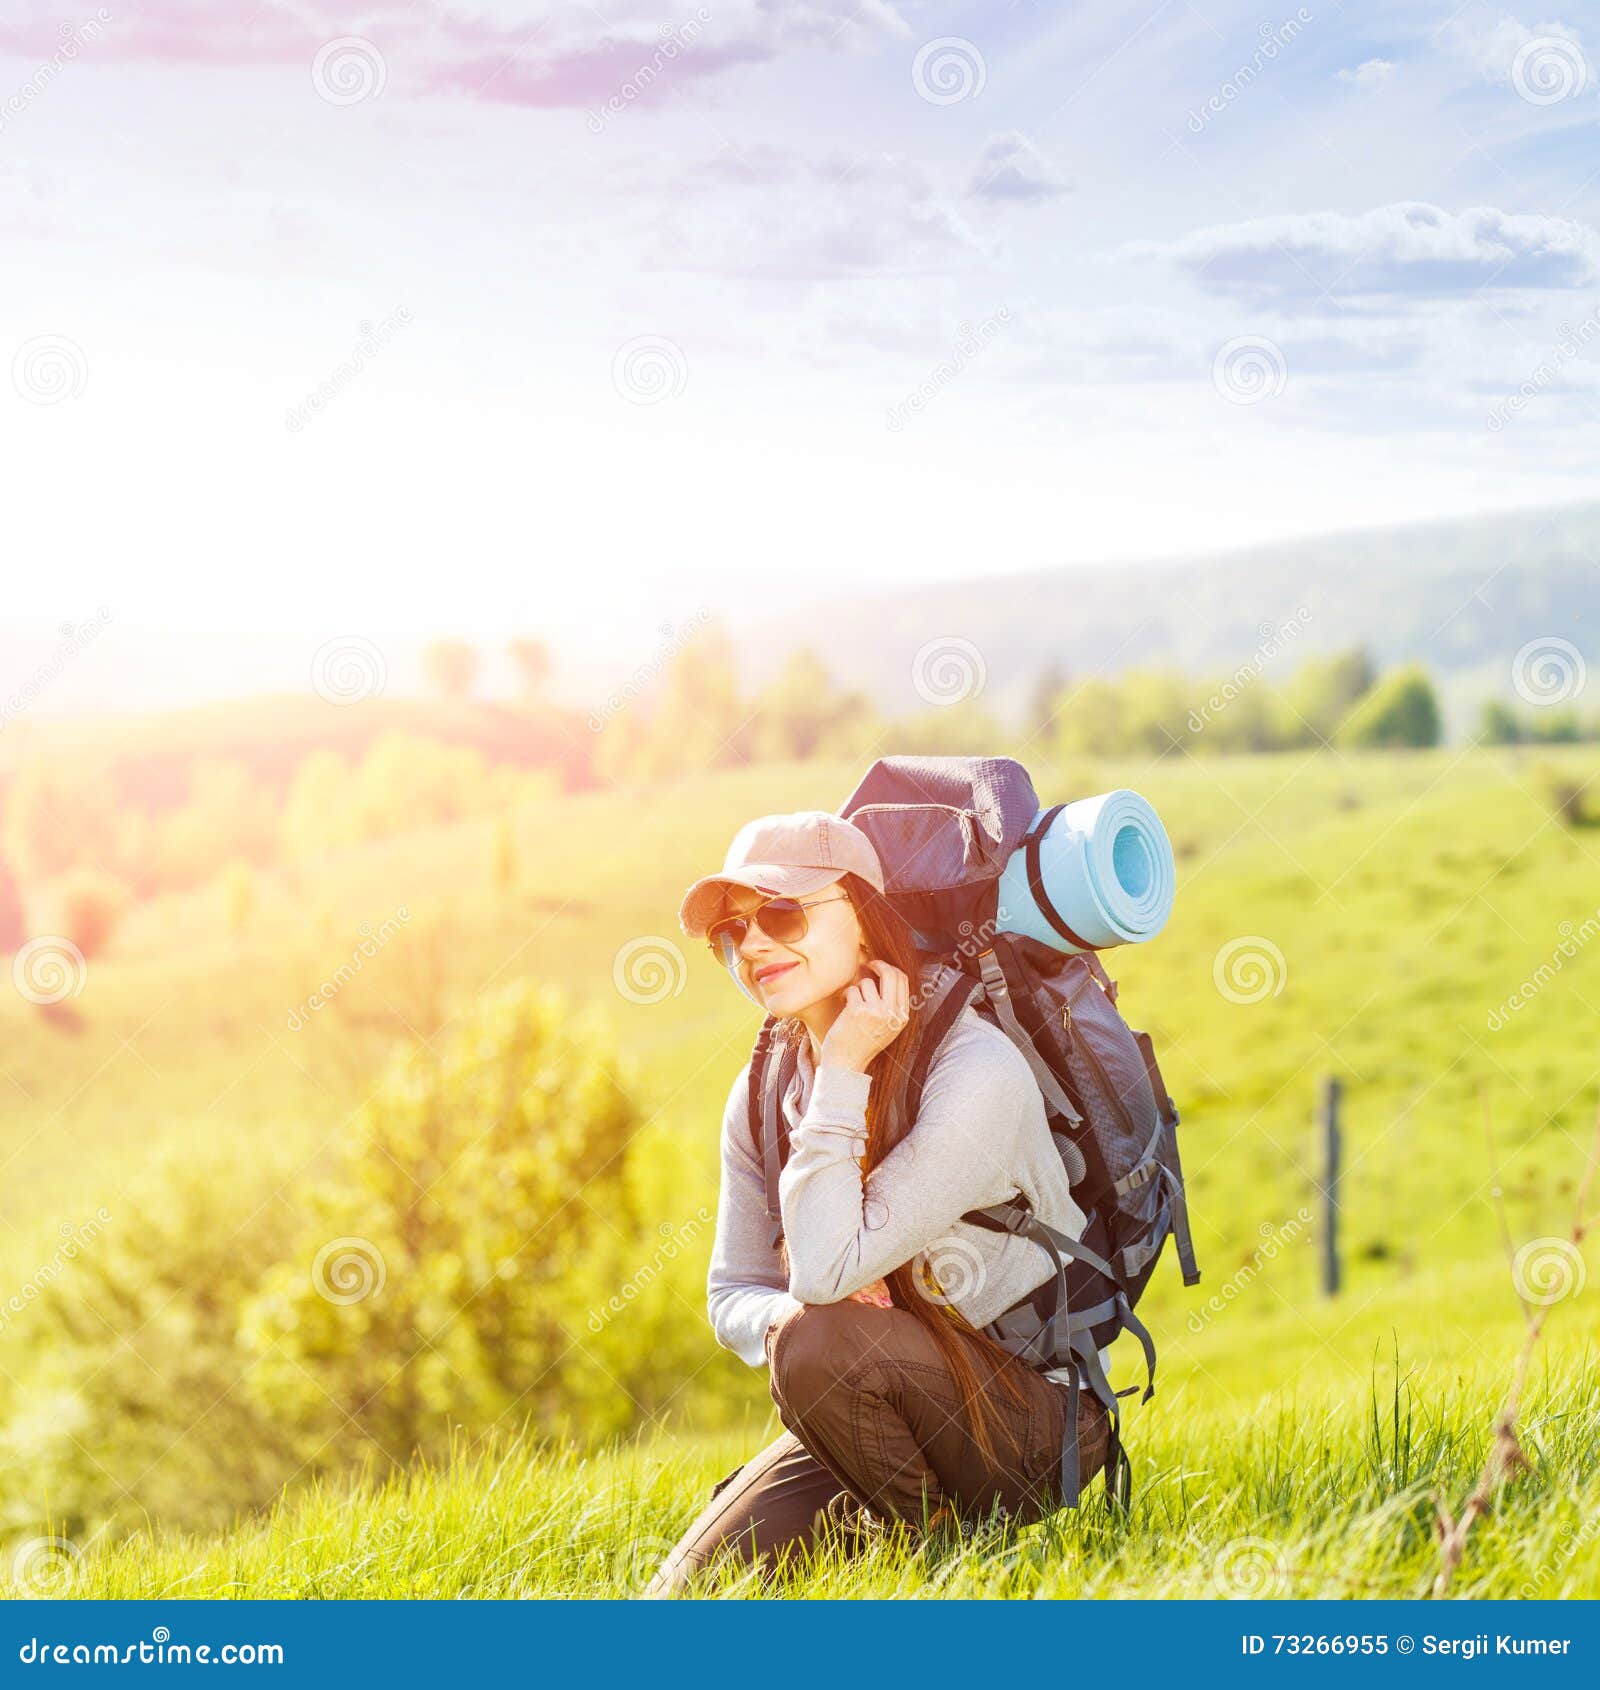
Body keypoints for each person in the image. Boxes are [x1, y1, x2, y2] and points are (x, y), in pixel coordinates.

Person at [645, 810, 1109, 1596]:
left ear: (866, 920)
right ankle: (899, 1530)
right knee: (682, 1596)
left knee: (818, 1345)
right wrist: (788, 1316)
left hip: (1031, 1422)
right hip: (875, 1398)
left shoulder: (974, 1071)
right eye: (734, 928)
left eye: (784, 913)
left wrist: (844, 1065)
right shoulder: (762, 1089)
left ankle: (947, 1569)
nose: (754, 943)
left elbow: (824, 1275)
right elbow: (731, 1297)